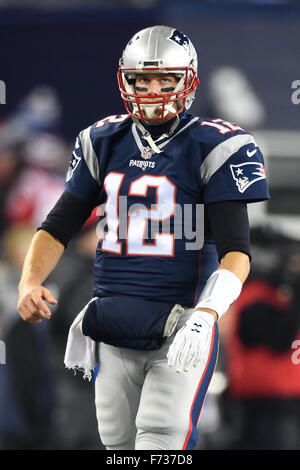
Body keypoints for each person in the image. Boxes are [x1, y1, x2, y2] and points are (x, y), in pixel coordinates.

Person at [17, 25, 269, 451]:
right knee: (116, 440)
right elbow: (58, 224)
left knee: (160, 437)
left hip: (181, 320)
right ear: (125, 80)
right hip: (114, 317)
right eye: (142, 79)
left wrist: (208, 313)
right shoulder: (102, 139)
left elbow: (236, 253)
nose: (152, 89)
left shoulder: (217, 145)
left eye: (164, 79)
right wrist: (29, 281)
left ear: (186, 81)